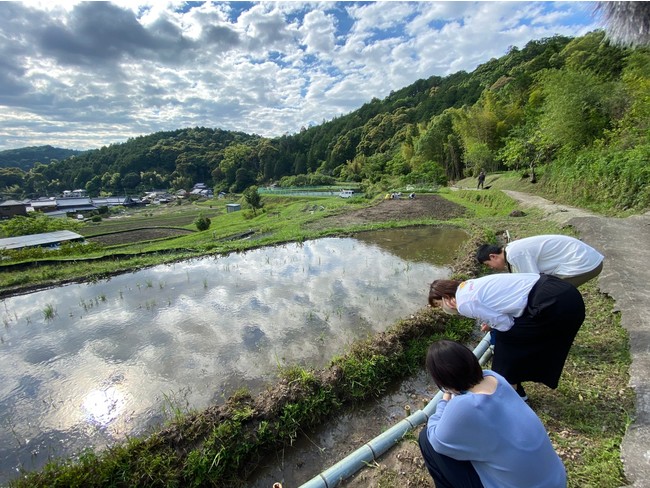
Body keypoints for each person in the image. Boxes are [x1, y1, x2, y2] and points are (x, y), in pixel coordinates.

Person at [418, 339, 567, 488]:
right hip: (556, 480)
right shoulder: (494, 377)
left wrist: (443, 402)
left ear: (443, 381)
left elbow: (437, 440)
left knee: (426, 438)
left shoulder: (463, 406)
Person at [428, 273, 585, 400]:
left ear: (445, 297)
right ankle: (515, 388)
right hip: (559, 291)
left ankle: (511, 393)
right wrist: (492, 324)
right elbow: (501, 307)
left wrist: (495, 328)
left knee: (506, 349)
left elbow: (505, 324)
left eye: (439, 305)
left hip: (552, 303)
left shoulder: (463, 303)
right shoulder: (467, 286)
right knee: (510, 347)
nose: (442, 309)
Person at [476, 234, 604, 288]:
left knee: (550, 294)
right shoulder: (511, 250)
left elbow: (533, 283)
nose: (491, 268)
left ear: (493, 256)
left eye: (488, 265)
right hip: (584, 258)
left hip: (584, 262)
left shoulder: (514, 254)